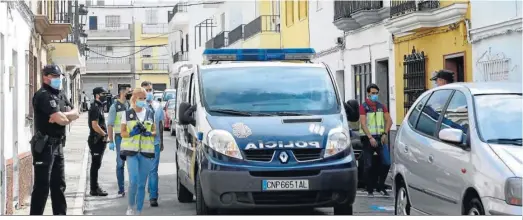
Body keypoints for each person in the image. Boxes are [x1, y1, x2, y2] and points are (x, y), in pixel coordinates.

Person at [30, 64, 80, 215]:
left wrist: (64, 116)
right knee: (42, 187)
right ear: (45, 77)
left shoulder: (60, 94)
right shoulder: (43, 95)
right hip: (44, 146)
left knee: (59, 186)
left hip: (58, 145)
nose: (57, 79)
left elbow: (76, 112)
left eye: (58, 76)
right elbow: (61, 120)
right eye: (53, 76)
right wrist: (63, 117)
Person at [120, 87, 156, 215]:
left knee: (142, 184)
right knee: (133, 181)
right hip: (131, 152)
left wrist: (149, 133)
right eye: (141, 98)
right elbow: (122, 133)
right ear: (134, 99)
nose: (143, 101)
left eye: (145, 98)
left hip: (145, 153)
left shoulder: (150, 113)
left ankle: (139, 210)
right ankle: (130, 206)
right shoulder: (127, 114)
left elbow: (155, 131)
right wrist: (131, 133)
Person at [359, 83, 393, 197]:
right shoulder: (363, 107)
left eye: (376, 93)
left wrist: (385, 133)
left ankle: (380, 185)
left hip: (380, 138)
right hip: (367, 138)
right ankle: (369, 189)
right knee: (368, 165)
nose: (375, 95)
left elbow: (389, 121)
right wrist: (370, 137)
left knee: (387, 162)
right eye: (373, 93)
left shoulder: (381, 106)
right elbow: (363, 124)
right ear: (368, 93)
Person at [140, 81, 163, 207]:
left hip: (155, 143)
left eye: (150, 90)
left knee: (153, 171)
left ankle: (153, 197)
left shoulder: (157, 106)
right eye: (146, 90)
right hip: (142, 144)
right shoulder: (138, 107)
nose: (149, 92)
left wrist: (162, 142)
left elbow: (160, 124)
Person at [107, 85, 132, 196]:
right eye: (128, 92)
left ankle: (132, 186)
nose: (129, 94)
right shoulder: (114, 107)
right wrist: (111, 140)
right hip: (119, 138)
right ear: (122, 93)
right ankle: (121, 189)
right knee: (120, 164)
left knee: (132, 163)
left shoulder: (130, 105)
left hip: (131, 137)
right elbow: (110, 125)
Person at [88, 87, 109, 196]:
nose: (104, 95)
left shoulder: (100, 106)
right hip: (96, 140)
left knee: (97, 164)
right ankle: (94, 188)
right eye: (103, 93)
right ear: (97, 95)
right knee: (95, 165)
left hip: (100, 140)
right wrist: (104, 134)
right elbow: (94, 125)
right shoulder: (95, 108)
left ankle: (95, 187)